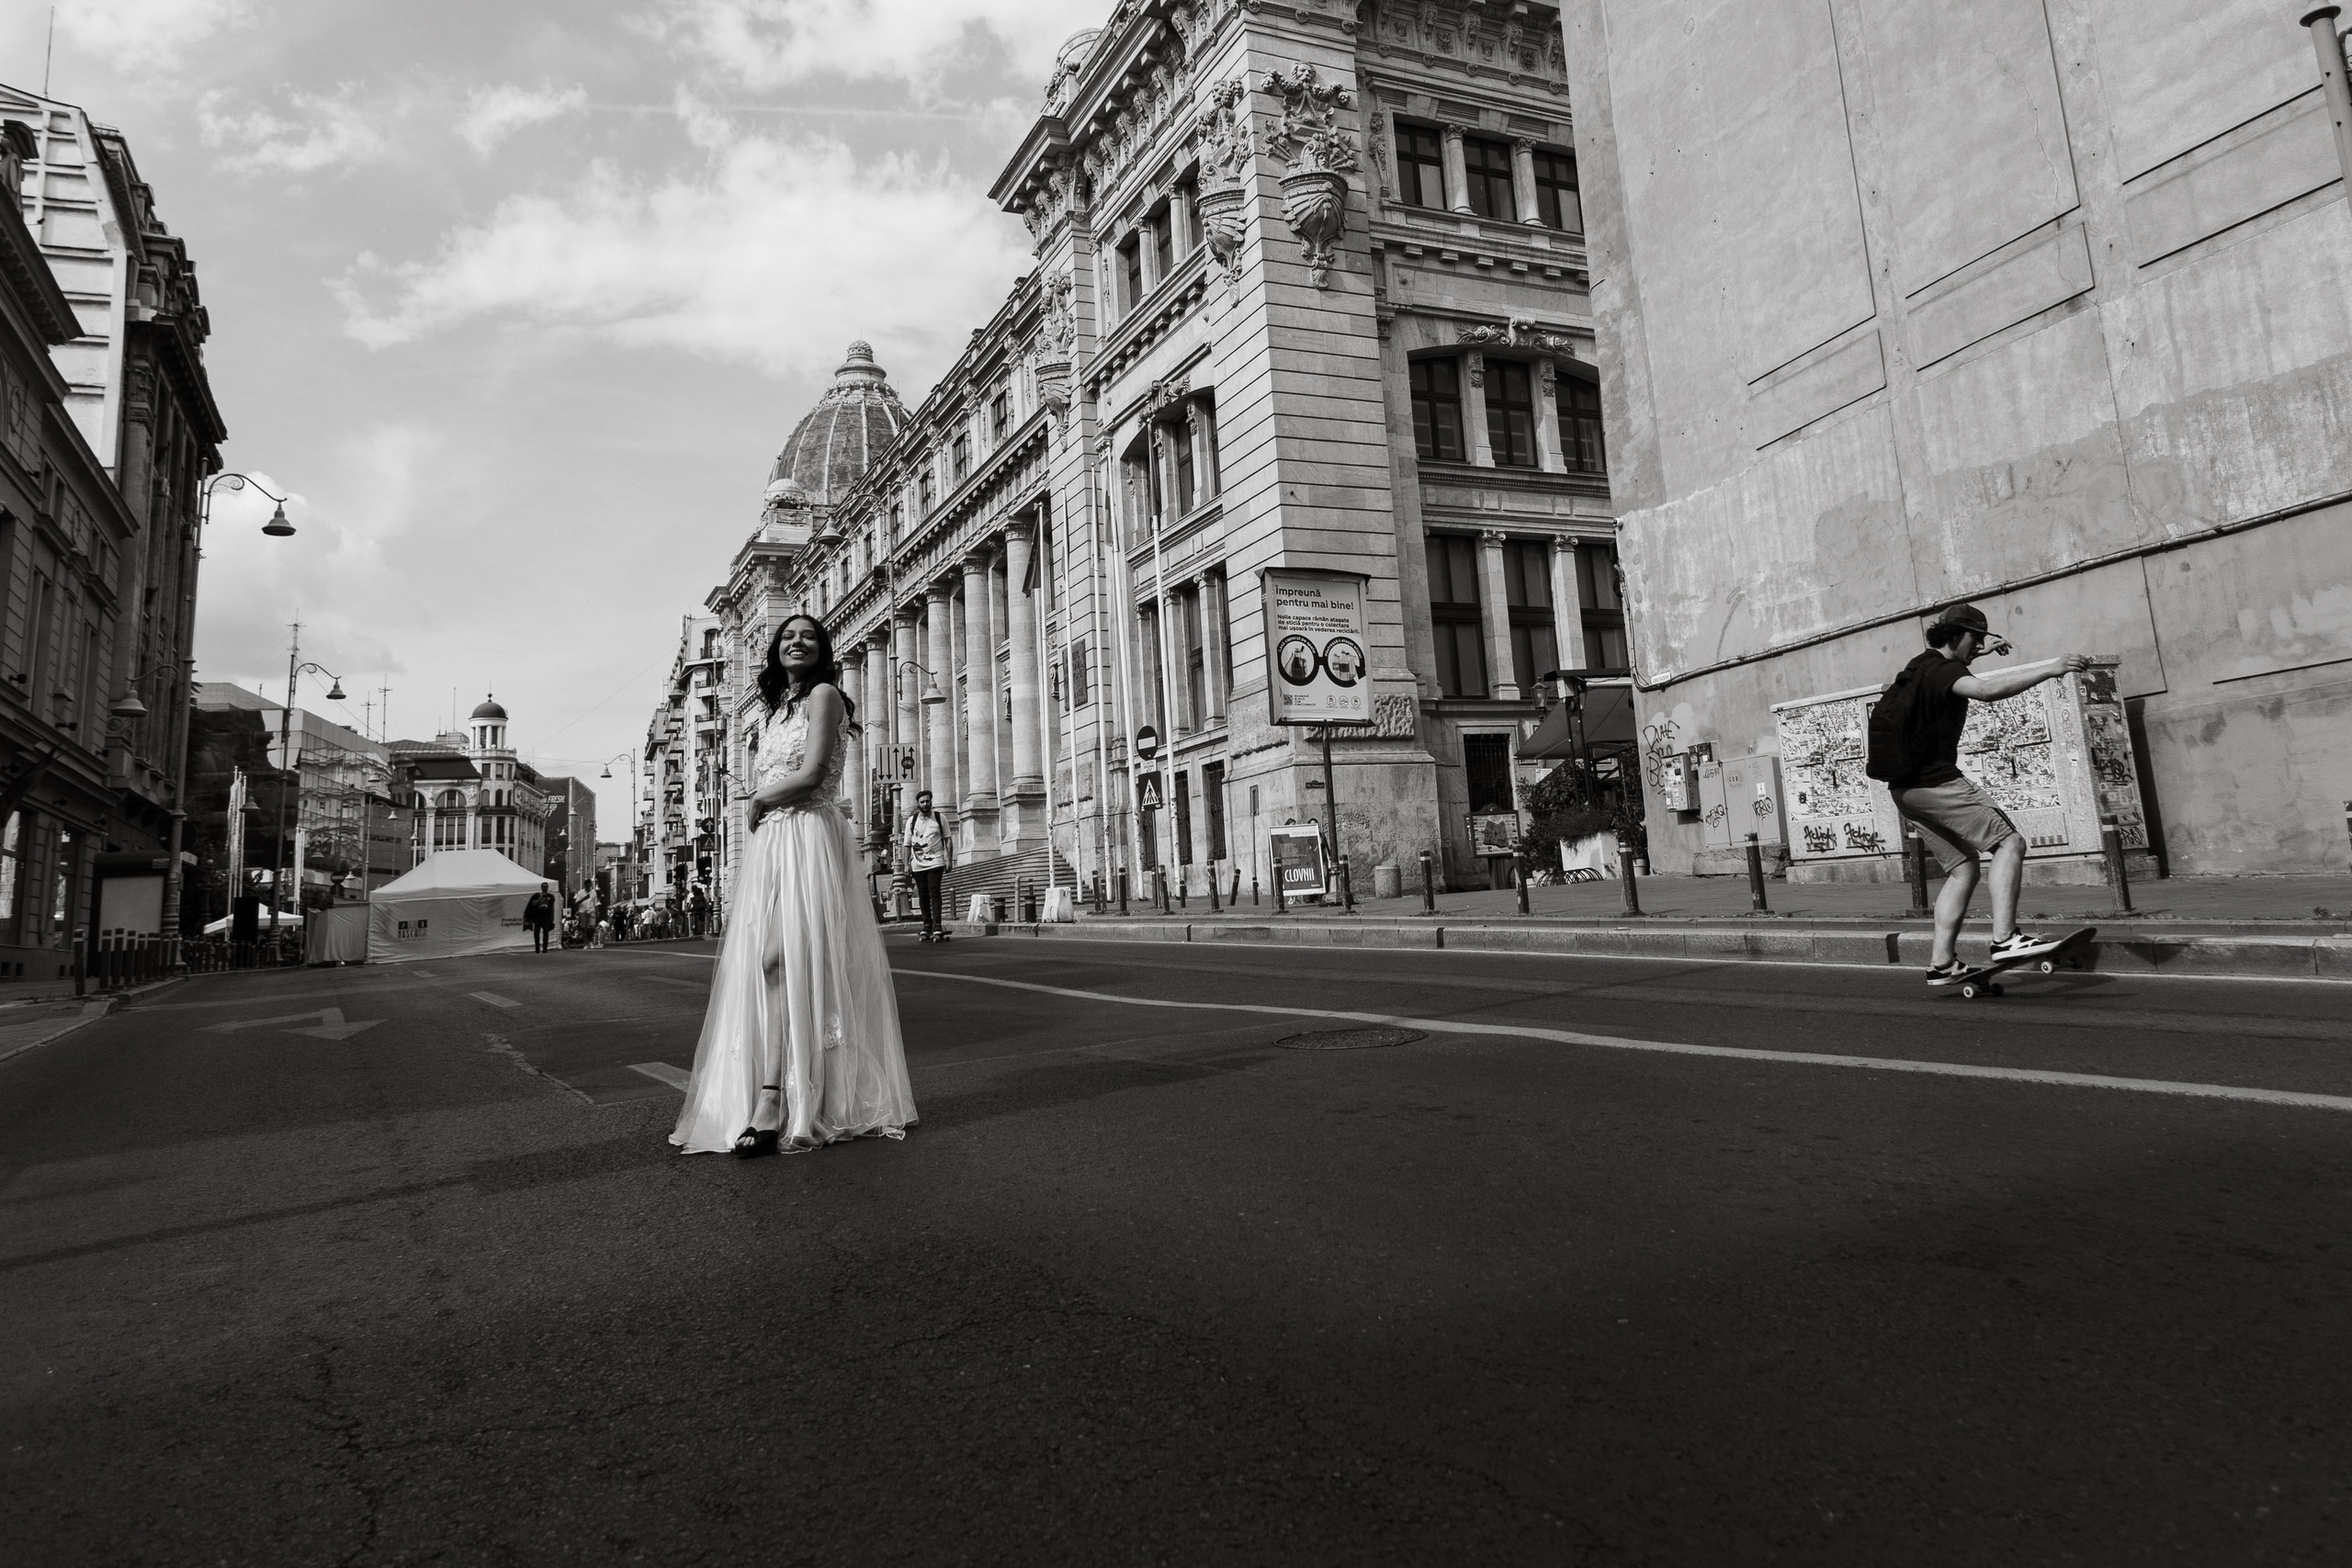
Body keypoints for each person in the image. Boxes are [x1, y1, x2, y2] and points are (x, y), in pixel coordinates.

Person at [672, 614, 917, 1157]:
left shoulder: (825, 695)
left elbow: (811, 774)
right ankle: (782, 1092)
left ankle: (776, 1099)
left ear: (822, 649)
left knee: (783, 960)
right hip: (774, 846)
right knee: (769, 963)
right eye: (788, 637)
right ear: (775, 651)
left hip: (807, 836)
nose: (797, 642)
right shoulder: (774, 710)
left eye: (808, 636)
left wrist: (760, 800)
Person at [1871, 604, 2088, 986]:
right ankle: (2005, 939)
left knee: (1963, 868)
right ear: (1955, 636)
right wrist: (2051, 668)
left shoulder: (1921, 665)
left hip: (1905, 789)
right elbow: (1986, 691)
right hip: (1936, 783)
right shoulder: (1946, 671)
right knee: (2009, 843)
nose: (1979, 646)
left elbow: (1951, 672)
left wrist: (1979, 652)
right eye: (1975, 639)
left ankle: (1941, 964)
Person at [903, 789, 953, 942]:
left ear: (931, 801)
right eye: (922, 802)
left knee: (934, 892)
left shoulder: (939, 818)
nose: (925, 804)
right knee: (923, 895)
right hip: (918, 864)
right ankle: (927, 925)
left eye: (927, 801)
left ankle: (937, 925)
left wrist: (949, 859)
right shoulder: (911, 822)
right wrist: (906, 864)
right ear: (918, 804)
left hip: (936, 862)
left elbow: (948, 840)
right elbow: (906, 845)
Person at [525, 884, 556, 953]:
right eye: (544, 887)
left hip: (547, 916)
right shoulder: (536, 895)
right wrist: (540, 897)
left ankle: (545, 948)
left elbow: (552, 907)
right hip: (538, 916)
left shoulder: (551, 896)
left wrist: (552, 916)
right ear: (541, 887)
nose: (545, 888)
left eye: (546, 887)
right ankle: (537, 948)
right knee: (536, 932)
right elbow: (533, 903)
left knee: (546, 933)